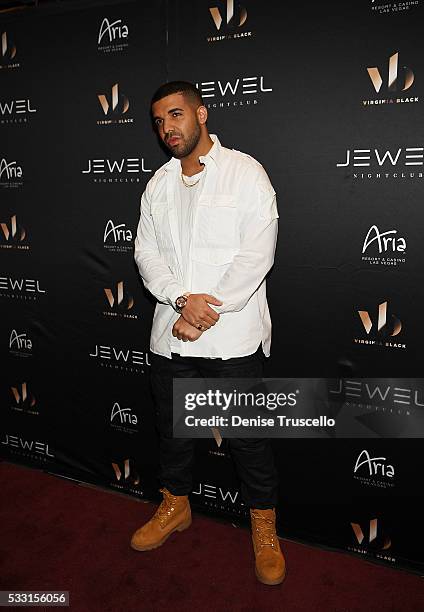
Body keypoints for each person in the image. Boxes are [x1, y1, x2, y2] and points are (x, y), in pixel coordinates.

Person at [132, 81, 284, 585]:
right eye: (159, 121)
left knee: (248, 440)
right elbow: (146, 255)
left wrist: (202, 314)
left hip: (233, 338)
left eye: (175, 115)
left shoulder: (245, 173)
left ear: (201, 112)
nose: (167, 128)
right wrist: (180, 301)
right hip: (169, 333)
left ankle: (264, 527)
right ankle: (175, 507)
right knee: (172, 433)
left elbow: (255, 256)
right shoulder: (157, 184)